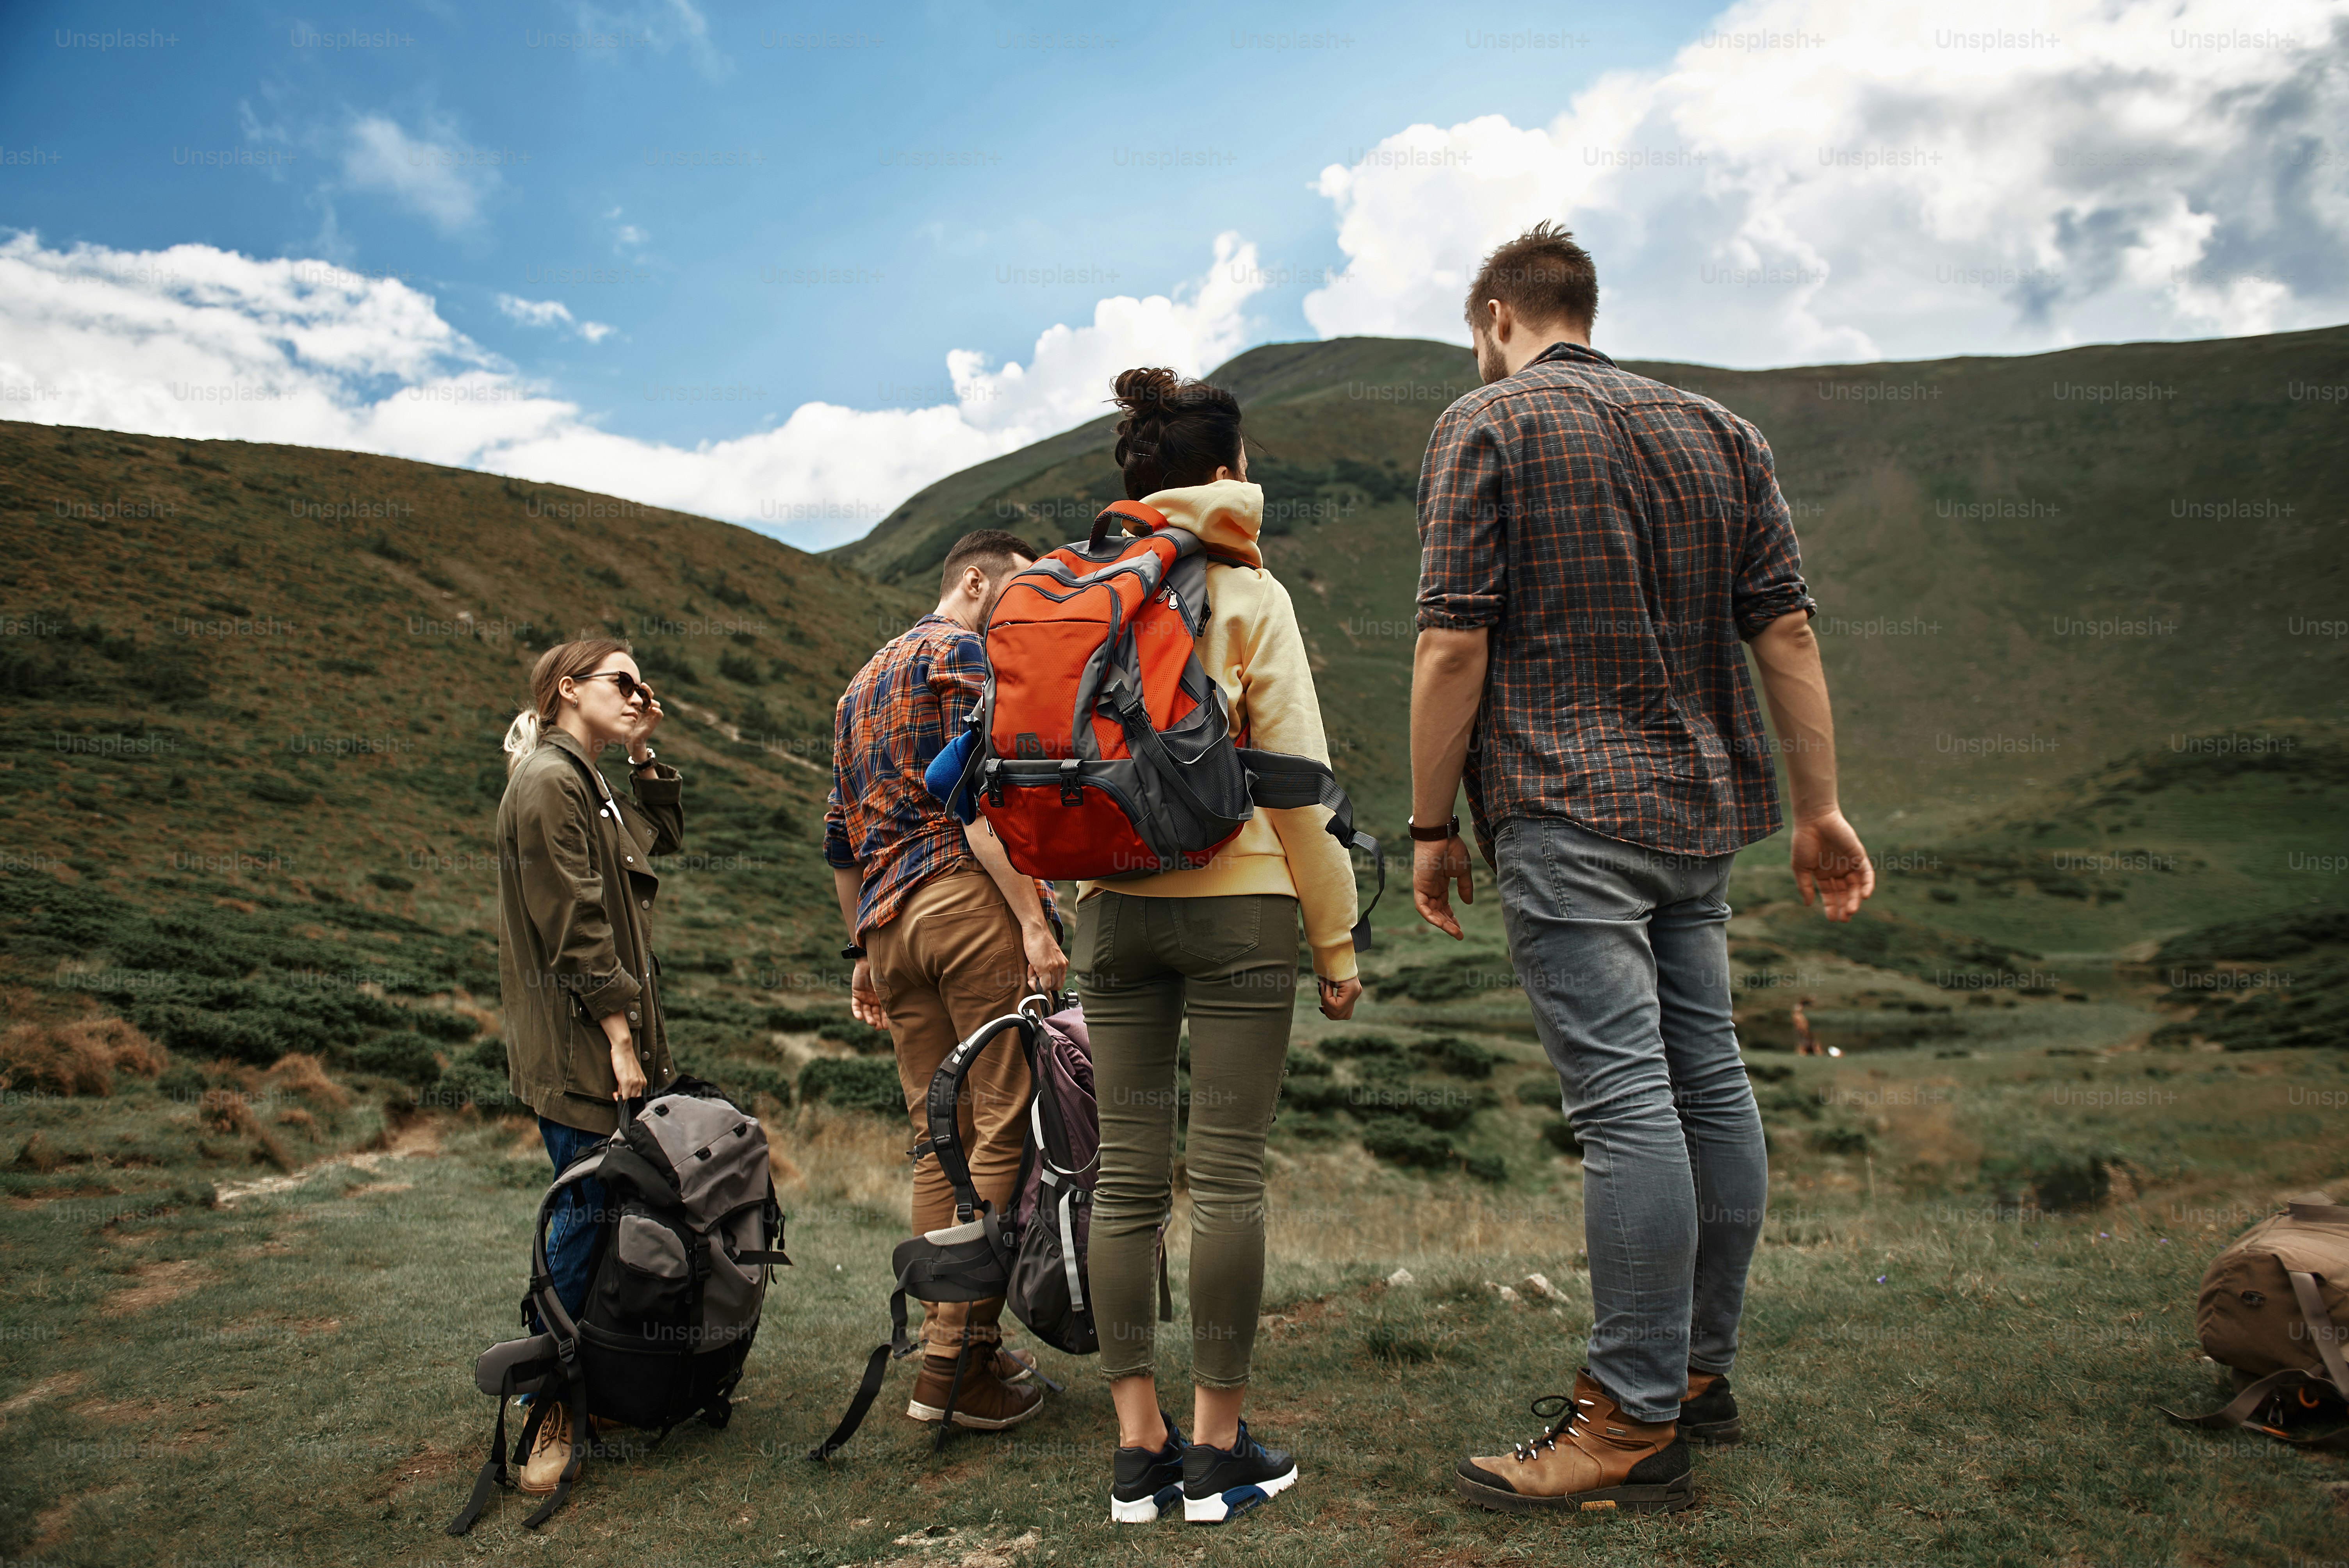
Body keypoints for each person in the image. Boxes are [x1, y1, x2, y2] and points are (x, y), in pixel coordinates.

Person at [1409, 223, 1875, 1514]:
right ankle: (1693, 1375)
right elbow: (1780, 624)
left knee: (1624, 1106)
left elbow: (1452, 644)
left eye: (1478, 339)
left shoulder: (1484, 424)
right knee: (1708, 1083)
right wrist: (1818, 806)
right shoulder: (1720, 431)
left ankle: (1625, 1420)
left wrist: (1428, 824)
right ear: (1584, 306)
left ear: (1499, 314)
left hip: (1563, 810)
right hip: (1697, 810)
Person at [1075, 367, 1366, 1527]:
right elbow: (1297, 790)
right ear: (1228, 474)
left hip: (1109, 910)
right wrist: (1336, 945)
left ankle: (1136, 1455)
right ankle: (1217, 1449)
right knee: (1230, 1176)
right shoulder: (1249, 593)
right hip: (1239, 907)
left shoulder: (1077, 585)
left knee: (1128, 1181)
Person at [825, 530, 1069, 1432]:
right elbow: (984, 796)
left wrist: (861, 950)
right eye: (1013, 594)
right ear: (974, 581)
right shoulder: (963, 651)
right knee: (1001, 1121)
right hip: (966, 902)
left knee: (937, 1137)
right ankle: (953, 1364)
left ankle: (952, 1340)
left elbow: (838, 840)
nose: (1019, 615)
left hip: (888, 930)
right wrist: (1035, 922)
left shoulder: (856, 687)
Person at [494, 637, 678, 1493]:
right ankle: (545, 1408)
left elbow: (660, 843)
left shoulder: (591, 778)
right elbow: (574, 921)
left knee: (605, 1214)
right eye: (622, 681)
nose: (638, 692)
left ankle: (591, 1383)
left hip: (600, 1034)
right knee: (577, 1224)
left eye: (643, 683)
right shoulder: (547, 780)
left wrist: (643, 750)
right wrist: (616, 1034)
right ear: (568, 689)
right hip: (577, 1043)